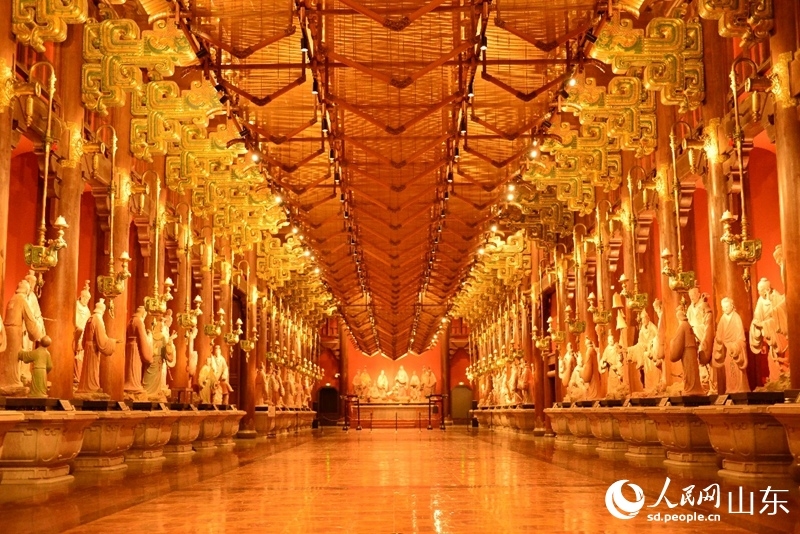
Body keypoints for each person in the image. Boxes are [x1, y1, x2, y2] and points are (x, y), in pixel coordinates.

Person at [76, 299, 117, 398]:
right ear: (102, 310)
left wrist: (85, 344)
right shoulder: (98, 319)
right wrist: (113, 341)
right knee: (93, 368)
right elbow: (102, 339)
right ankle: (92, 387)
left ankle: (86, 386)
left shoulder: (90, 318)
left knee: (87, 367)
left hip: (87, 346)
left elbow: (84, 336)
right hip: (93, 348)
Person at [750, 278, 788, 382]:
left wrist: (766, 323)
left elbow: (780, 316)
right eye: (758, 290)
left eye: (760, 290)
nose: (759, 292)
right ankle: (775, 380)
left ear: (767, 289)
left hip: (779, 334)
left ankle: (785, 379)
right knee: (772, 359)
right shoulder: (760, 301)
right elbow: (757, 317)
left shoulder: (776, 297)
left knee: (783, 357)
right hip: (769, 334)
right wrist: (757, 324)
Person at [713, 297, 750, 393]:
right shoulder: (722, 319)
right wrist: (719, 340)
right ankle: (730, 388)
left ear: (732, 306)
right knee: (728, 369)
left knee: (738, 370)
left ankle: (740, 388)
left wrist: (736, 346)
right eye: (723, 307)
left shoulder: (736, 318)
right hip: (726, 348)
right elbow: (719, 334)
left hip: (735, 349)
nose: (725, 309)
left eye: (727, 306)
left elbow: (741, 337)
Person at [669, 308, 703, 396]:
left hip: (687, 351)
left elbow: (678, 339)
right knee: (692, 370)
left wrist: (672, 342)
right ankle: (695, 388)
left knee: (689, 371)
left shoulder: (682, 326)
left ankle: (691, 389)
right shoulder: (688, 325)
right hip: (691, 350)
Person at [124, 306, 152, 400]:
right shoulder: (139, 321)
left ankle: (130, 384)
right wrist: (149, 337)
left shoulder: (130, 321)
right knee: (135, 368)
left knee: (130, 367)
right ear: (143, 313)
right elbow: (142, 338)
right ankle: (134, 386)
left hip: (129, 347)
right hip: (136, 347)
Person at [73, 281, 91, 388]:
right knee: (75, 354)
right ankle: (75, 376)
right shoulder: (76, 305)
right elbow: (74, 319)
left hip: (83, 333)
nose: (86, 300)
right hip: (76, 332)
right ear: (81, 296)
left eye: (87, 299)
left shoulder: (87, 309)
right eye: (84, 298)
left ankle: (79, 376)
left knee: (81, 356)